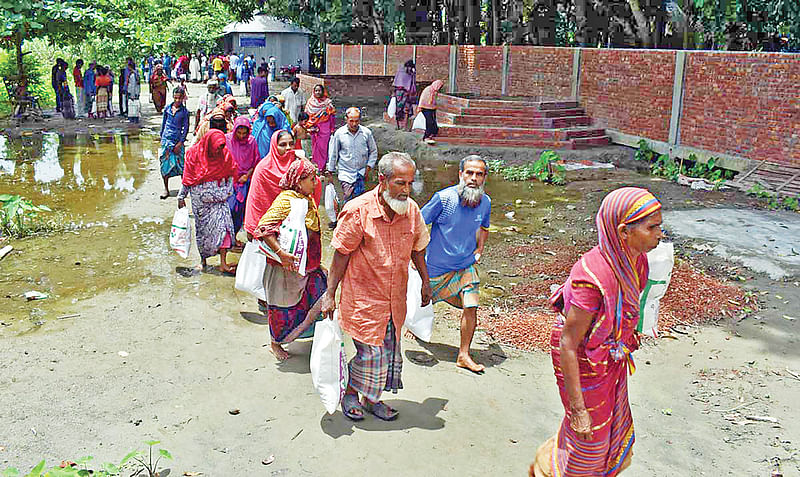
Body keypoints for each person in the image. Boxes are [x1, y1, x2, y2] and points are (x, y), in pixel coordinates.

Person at [531, 187, 664, 477]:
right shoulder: (590, 277)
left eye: (660, 226)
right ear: (623, 231)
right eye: (652, 227)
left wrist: (625, 337)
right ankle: (553, 469)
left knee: (610, 426)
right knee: (588, 437)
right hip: (579, 355)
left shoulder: (636, 260)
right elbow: (568, 343)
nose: (659, 234)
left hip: (608, 353)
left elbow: (624, 308)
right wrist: (577, 409)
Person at [319, 152, 431, 422]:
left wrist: (426, 282)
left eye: (410, 184)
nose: (406, 190)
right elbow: (341, 254)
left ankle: (372, 399)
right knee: (372, 355)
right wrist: (329, 294)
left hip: (395, 299)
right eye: (400, 183)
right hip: (364, 301)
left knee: (389, 351)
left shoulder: (412, 211)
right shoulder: (359, 210)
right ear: (382, 180)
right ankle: (349, 393)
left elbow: (418, 249)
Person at [420, 155, 491, 373]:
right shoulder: (444, 199)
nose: (473, 178)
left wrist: (479, 249)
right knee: (417, 306)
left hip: (465, 265)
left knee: (471, 305)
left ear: (484, 178)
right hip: (434, 269)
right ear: (460, 174)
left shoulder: (485, 202)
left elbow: (485, 227)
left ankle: (463, 354)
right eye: (469, 173)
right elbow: (418, 224)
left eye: (479, 174)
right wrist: (413, 259)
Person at [253, 159, 327, 360]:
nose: (315, 183)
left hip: (307, 266)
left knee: (321, 293)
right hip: (286, 269)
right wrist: (281, 254)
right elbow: (263, 228)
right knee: (283, 308)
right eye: (311, 179)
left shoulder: (306, 198)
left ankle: (306, 333)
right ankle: (275, 343)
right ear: (299, 181)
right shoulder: (286, 200)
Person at [177, 129, 237, 274]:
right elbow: (188, 178)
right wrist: (181, 196)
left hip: (220, 200)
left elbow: (230, 175)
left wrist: (227, 192)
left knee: (225, 228)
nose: (219, 151)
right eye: (217, 147)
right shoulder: (193, 155)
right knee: (203, 233)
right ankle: (203, 261)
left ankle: (223, 262)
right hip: (201, 204)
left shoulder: (225, 156)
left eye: (222, 147)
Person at [326, 107, 378, 226]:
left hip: (361, 172)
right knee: (349, 198)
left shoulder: (366, 133)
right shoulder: (339, 134)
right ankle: (346, 223)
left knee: (361, 200)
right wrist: (330, 171)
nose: (354, 124)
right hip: (346, 173)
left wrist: (369, 167)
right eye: (351, 121)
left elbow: (373, 151)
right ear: (346, 120)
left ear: (360, 120)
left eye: (356, 121)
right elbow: (333, 153)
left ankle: (358, 224)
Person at [226, 116, 261, 237]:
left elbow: (256, 162)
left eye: (244, 133)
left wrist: (247, 175)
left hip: (245, 181)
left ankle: (233, 236)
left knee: (240, 210)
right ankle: (226, 239)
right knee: (229, 209)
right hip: (229, 180)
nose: (241, 136)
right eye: (239, 133)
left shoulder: (251, 142)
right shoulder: (228, 140)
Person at [159, 86, 190, 199]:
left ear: (183, 98)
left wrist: (180, 143)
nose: (177, 100)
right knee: (164, 166)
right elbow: (163, 124)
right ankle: (166, 189)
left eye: (180, 98)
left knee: (182, 166)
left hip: (177, 141)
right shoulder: (167, 108)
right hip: (166, 140)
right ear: (173, 97)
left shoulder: (185, 112)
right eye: (176, 98)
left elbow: (185, 128)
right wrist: (162, 138)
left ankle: (183, 190)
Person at [305, 84, 336, 172]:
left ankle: (322, 167)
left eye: (319, 90)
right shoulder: (310, 102)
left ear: (323, 91)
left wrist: (332, 128)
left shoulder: (327, 103)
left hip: (325, 128)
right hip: (314, 128)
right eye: (316, 91)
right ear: (313, 92)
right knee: (315, 147)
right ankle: (317, 165)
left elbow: (332, 116)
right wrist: (309, 126)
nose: (318, 92)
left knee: (323, 148)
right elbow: (307, 116)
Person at [417, 79, 444, 145]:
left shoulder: (435, 92)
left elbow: (434, 101)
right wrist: (420, 107)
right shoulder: (428, 90)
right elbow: (422, 98)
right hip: (425, 108)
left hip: (432, 108)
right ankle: (426, 137)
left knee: (433, 122)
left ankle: (432, 134)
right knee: (429, 122)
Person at [392, 60, 417, 130]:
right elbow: (396, 83)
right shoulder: (401, 72)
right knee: (398, 109)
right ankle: (398, 126)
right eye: (408, 67)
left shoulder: (412, 73)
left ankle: (406, 127)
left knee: (407, 109)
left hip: (408, 94)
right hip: (399, 93)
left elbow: (413, 84)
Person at [126, 59, 141, 124]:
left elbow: (133, 85)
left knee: (133, 106)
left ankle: (133, 119)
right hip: (136, 92)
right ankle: (135, 118)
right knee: (135, 106)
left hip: (133, 93)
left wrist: (132, 95)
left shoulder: (132, 75)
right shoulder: (136, 74)